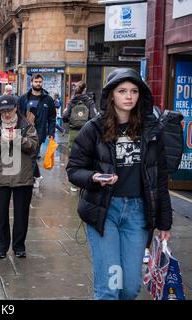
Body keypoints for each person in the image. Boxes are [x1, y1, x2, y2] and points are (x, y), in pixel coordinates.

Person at [66, 68, 173, 300]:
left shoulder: (151, 130)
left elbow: (160, 178)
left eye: (134, 91)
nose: (129, 96)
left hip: (138, 214)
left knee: (131, 287)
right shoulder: (93, 128)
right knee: (110, 287)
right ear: (111, 95)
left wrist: (165, 222)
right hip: (105, 212)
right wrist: (94, 177)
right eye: (122, 91)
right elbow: (74, 170)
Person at [0, 95, 38, 259]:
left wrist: (17, 139)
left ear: (16, 108)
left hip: (22, 177)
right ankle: (0, 248)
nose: (6, 114)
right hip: (1, 177)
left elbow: (34, 146)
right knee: (0, 215)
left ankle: (19, 247)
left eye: (9, 110)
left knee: (21, 215)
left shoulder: (26, 125)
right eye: (3, 111)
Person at [18, 74, 56, 189]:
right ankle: (37, 175)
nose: (38, 84)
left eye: (40, 82)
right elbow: (18, 115)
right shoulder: (24, 98)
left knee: (32, 156)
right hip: (24, 133)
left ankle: (28, 180)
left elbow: (52, 117)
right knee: (26, 156)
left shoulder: (47, 99)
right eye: (36, 81)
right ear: (32, 82)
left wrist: (51, 133)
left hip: (39, 133)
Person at [62, 81, 97, 192]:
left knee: (73, 157)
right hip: (86, 132)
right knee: (87, 156)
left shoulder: (72, 101)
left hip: (73, 132)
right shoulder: (89, 101)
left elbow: (64, 116)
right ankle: (84, 182)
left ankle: (74, 185)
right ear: (85, 89)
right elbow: (94, 116)